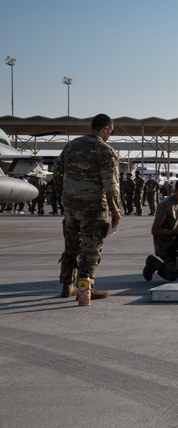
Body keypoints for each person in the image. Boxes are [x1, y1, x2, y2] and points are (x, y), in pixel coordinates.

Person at [55, 113, 121, 299]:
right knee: (91, 249)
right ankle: (84, 291)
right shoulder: (105, 150)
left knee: (71, 246)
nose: (110, 135)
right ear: (106, 129)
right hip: (93, 208)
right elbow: (110, 183)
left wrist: (65, 194)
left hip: (71, 206)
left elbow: (57, 170)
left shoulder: (71, 145)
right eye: (111, 131)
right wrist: (115, 209)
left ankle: (67, 286)